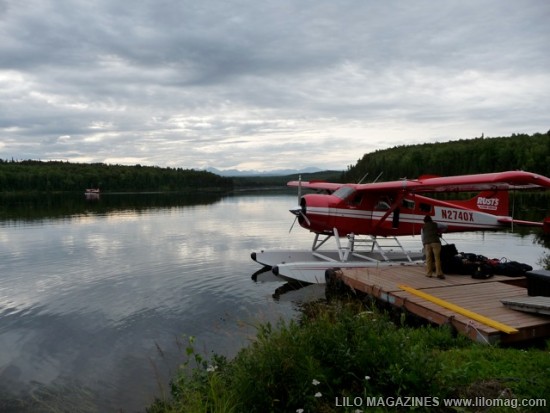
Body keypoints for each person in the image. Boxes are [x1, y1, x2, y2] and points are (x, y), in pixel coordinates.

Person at [422, 215, 445, 279]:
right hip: (435, 242)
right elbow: (445, 226)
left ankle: (429, 274)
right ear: (431, 219)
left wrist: (424, 244)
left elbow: (423, 236)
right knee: (437, 258)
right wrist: (440, 232)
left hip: (427, 244)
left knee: (428, 259)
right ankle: (439, 274)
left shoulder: (423, 227)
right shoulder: (435, 224)